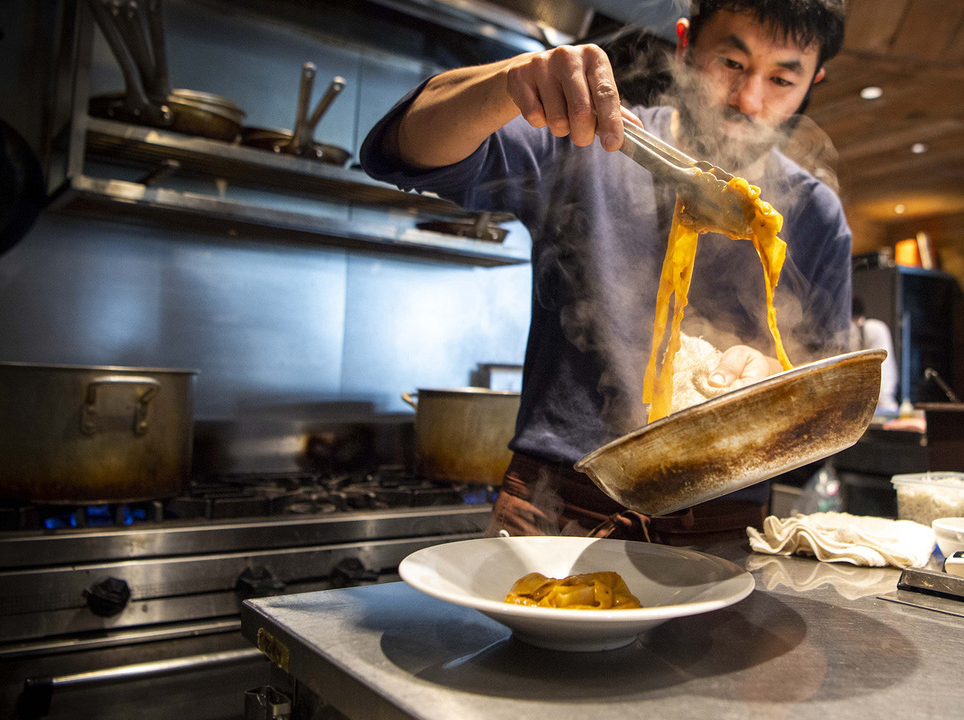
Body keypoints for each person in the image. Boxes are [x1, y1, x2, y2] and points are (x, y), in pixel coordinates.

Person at [360, 0, 851, 544]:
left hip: (720, 523)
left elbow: (828, 403)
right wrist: (508, 82)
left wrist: (776, 386)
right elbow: (404, 151)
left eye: (782, 79)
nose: (749, 99)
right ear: (684, 45)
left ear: (814, 81)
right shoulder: (591, 138)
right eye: (732, 64)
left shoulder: (816, 215)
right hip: (556, 503)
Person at [849, 297, 899, 413]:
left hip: (883, 404)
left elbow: (883, 369)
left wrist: (883, 403)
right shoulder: (854, 333)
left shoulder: (875, 329)